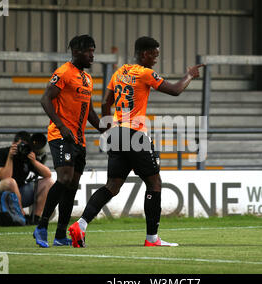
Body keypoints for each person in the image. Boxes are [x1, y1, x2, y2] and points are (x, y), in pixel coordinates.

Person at [68, 36, 203, 247]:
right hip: (135, 135)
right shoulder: (145, 73)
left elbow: (105, 103)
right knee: (154, 183)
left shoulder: (119, 72)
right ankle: (152, 239)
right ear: (144, 54)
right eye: (154, 55)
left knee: (112, 186)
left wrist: (108, 131)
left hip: (117, 133)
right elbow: (176, 90)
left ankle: (81, 225)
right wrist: (189, 75)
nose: (156, 60)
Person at [33, 35, 103, 248]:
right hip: (61, 136)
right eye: (89, 51)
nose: (92, 55)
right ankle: (41, 226)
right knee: (63, 179)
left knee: (72, 184)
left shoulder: (87, 79)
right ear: (76, 51)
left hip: (79, 140)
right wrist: (62, 127)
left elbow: (89, 111)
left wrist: (104, 129)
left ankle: (61, 234)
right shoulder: (63, 73)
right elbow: (45, 99)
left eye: (93, 50)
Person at [0, 131, 54, 224]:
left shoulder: (26, 155)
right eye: (21, 145)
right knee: (11, 182)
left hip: (17, 194)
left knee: (48, 182)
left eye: (26, 145)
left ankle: (35, 218)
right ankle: (23, 216)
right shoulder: (0, 153)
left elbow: (48, 175)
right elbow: (5, 177)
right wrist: (10, 157)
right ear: (14, 144)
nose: (23, 148)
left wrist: (34, 161)